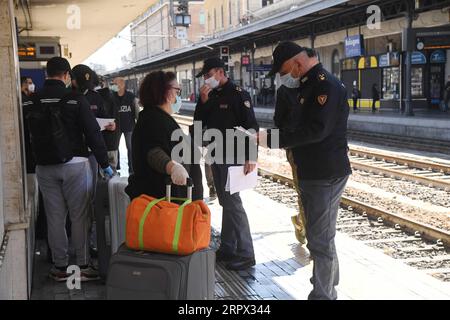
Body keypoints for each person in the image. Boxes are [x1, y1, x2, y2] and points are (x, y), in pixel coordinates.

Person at [260, 42, 352, 300]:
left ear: (297, 62)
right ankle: (328, 282)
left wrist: (270, 139)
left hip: (325, 173)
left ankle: (323, 295)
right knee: (320, 236)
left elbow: (316, 131)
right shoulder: (309, 84)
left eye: (285, 69)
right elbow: (293, 124)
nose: (286, 76)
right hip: (312, 171)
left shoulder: (325, 85)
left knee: (319, 241)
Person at [23, 57, 113, 282]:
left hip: (44, 167)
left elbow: (25, 135)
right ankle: (82, 265)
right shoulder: (74, 98)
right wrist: (105, 164)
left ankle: (60, 267)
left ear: (46, 74)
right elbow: (92, 132)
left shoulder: (32, 100)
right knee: (79, 216)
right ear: (66, 76)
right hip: (75, 165)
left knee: (55, 217)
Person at [194, 57, 259, 271]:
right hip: (215, 153)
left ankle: (246, 252)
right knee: (224, 200)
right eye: (204, 76)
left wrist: (251, 156)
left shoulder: (238, 94)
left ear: (221, 72)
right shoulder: (209, 96)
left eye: (208, 74)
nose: (206, 79)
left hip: (234, 154)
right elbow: (199, 124)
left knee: (233, 202)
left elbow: (251, 127)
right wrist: (202, 102)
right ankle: (229, 247)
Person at [125, 71, 202, 201]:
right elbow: (153, 152)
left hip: (171, 197)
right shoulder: (153, 120)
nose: (178, 96)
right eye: (177, 90)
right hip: (165, 201)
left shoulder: (157, 117)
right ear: (165, 92)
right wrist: (173, 167)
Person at [273, 84, 307, 245]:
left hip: (320, 151)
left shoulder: (318, 84)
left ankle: (300, 221)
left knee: (315, 196)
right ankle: (307, 233)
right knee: (304, 192)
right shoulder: (284, 91)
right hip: (297, 150)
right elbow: (278, 122)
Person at [112, 77, 140, 175]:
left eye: (115, 84)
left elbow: (137, 113)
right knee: (115, 147)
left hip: (129, 126)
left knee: (131, 148)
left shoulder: (131, 97)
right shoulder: (111, 97)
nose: (113, 86)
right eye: (112, 84)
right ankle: (117, 166)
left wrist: (139, 125)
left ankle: (132, 169)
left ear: (122, 85)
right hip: (115, 127)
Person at [95, 74, 121, 172]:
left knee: (101, 177)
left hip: (100, 143)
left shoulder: (95, 98)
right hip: (113, 142)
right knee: (112, 175)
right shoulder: (113, 96)